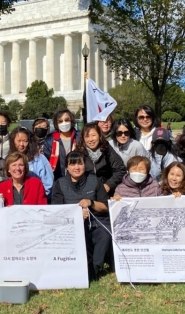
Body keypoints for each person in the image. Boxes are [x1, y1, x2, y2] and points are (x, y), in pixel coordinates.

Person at [52, 151, 110, 280]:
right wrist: (76, 215)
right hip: (70, 227)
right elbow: (56, 211)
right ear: (67, 167)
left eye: (80, 163)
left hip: (96, 223)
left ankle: (95, 268)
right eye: (72, 164)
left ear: (85, 165)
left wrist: (92, 203)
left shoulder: (94, 180)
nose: (76, 167)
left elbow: (106, 206)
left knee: (104, 234)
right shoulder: (60, 183)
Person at [76, 122, 126, 197]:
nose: (90, 139)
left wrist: (109, 184)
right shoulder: (79, 152)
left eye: (93, 135)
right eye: (87, 136)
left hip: (105, 191)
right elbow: (72, 173)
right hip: (85, 192)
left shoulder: (107, 148)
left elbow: (120, 169)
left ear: (99, 136)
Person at [9, 126, 53, 197]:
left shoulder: (39, 159)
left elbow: (48, 184)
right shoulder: (9, 158)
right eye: (19, 141)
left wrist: (36, 196)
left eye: (25, 141)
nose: (21, 144)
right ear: (13, 141)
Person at [44, 109, 80, 181]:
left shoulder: (79, 136)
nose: (64, 123)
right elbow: (47, 162)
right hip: (58, 179)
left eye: (67, 120)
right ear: (56, 124)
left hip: (78, 178)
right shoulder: (50, 139)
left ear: (71, 121)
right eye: (60, 121)